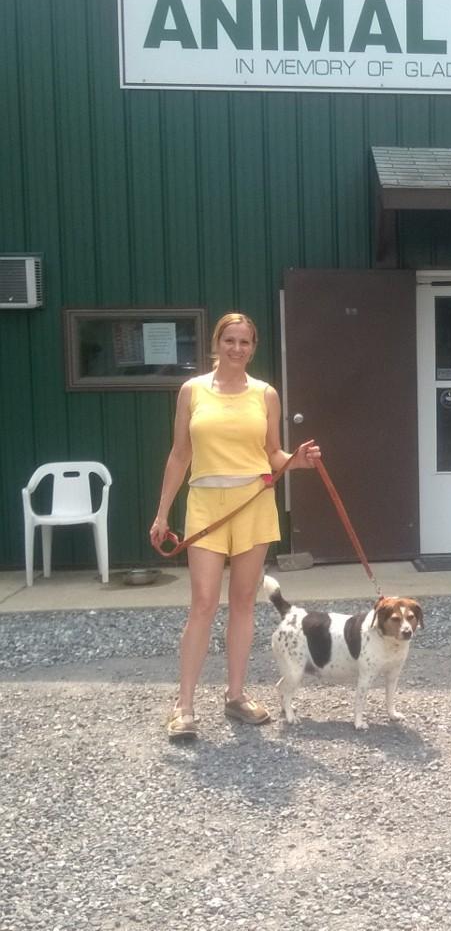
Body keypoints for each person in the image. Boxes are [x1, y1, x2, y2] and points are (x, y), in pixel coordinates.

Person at [150, 311, 321, 740]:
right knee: (204, 603)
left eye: (245, 342)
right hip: (206, 504)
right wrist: (162, 512)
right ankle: (184, 705)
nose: (237, 349)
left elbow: (273, 454)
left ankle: (236, 695)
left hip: (253, 502)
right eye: (230, 341)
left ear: (253, 347)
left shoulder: (265, 394)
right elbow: (179, 455)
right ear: (217, 343)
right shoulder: (192, 391)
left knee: (244, 603)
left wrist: (296, 462)